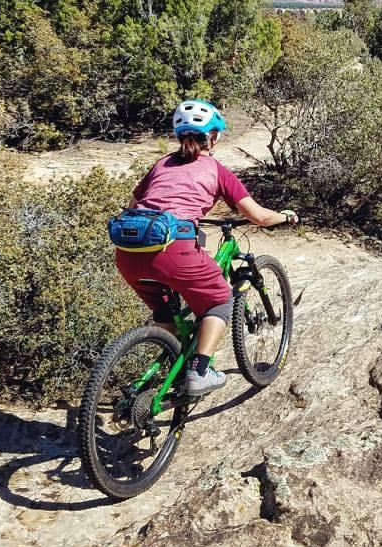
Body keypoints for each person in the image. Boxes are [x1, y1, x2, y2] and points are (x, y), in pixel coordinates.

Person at [115, 99, 297, 397]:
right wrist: (286, 216)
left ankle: (161, 377)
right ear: (213, 137)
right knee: (219, 301)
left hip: (129, 254)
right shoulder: (215, 168)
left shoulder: (160, 164)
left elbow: (136, 207)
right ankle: (199, 372)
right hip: (173, 250)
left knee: (166, 310)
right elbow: (259, 216)